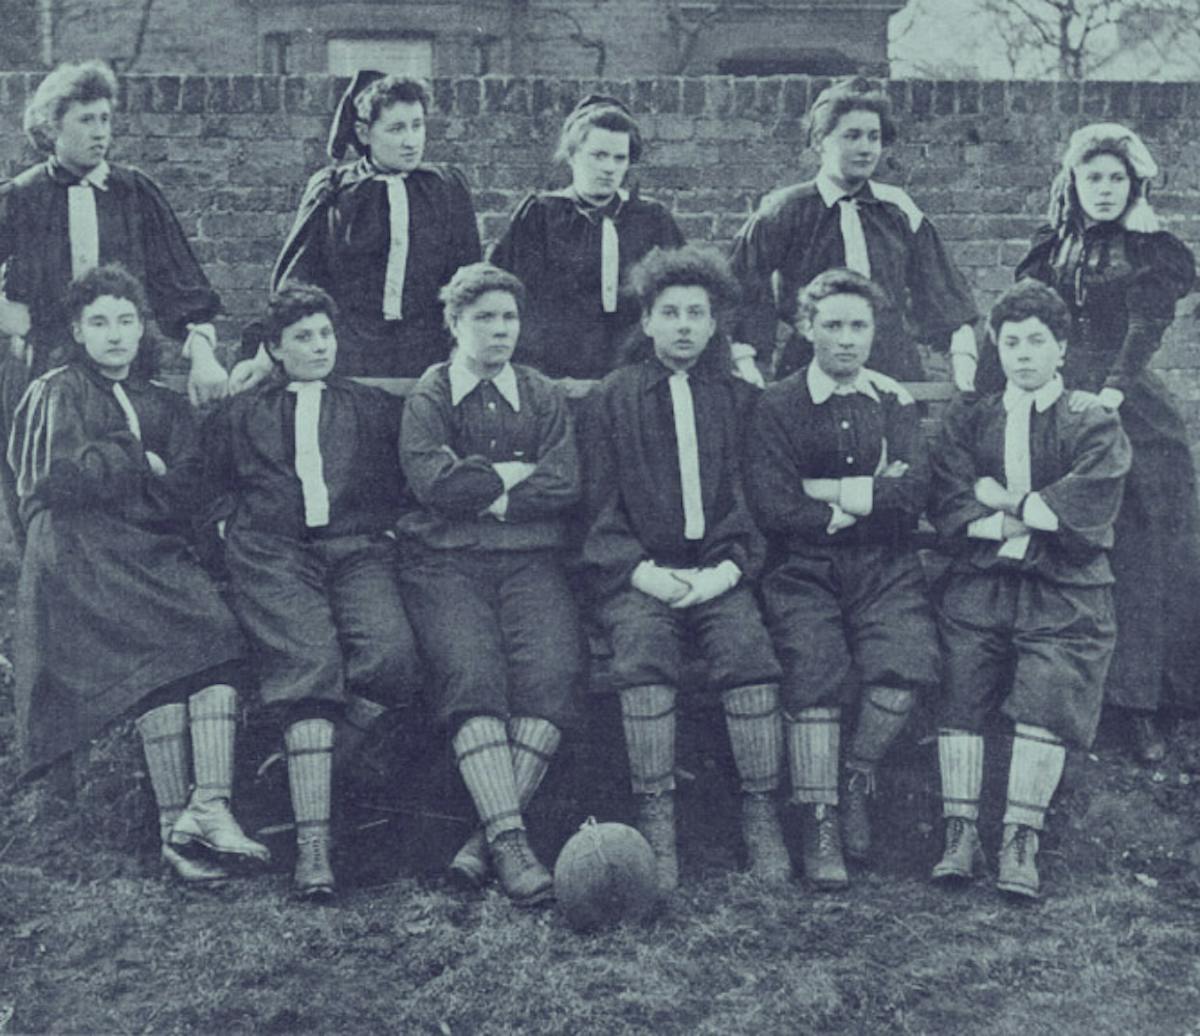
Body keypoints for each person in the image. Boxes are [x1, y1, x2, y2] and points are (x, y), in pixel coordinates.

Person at [7, 264, 266, 884]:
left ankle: (205, 809)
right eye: (99, 322)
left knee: (219, 637)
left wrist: (143, 475)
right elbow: (61, 481)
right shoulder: (57, 388)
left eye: (127, 320)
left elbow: (188, 484)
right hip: (81, 554)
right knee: (159, 656)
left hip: (147, 548)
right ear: (77, 329)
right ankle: (176, 832)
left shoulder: (160, 399)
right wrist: (136, 458)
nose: (116, 334)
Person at [578, 245, 788, 893]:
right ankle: (657, 827)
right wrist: (642, 574)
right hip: (639, 574)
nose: (685, 326)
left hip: (720, 570)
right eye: (670, 313)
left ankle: (760, 818)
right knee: (641, 651)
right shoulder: (612, 399)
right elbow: (596, 510)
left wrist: (726, 574)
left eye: (698, 313)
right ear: (646, 321)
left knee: (747, 650)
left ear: (716, 322)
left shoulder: (739, 399)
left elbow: (755, 503)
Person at [202, 283, 420, 900]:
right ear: (274, 347)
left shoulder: (370, 408)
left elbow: (401, 483)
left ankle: (302, 771)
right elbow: (203, 484)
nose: (319, 345)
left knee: (393, 656)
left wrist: (382, 528)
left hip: (354, 549)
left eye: (326, 334)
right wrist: (225, 527)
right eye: (303, 337)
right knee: (311, 665)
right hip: (272, 553)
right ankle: (313, 846)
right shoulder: (241, 413)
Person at [929, 279, 1131, 899]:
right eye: (1010, 342)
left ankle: (1022, 838)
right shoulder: (975, 418)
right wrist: (1012, 514)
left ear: (1062, 348)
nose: (1022, 354)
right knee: (962, 675)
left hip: (1064, 581)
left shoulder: (1090, 418)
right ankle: (960, 832)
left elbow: (1085, 501)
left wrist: (1010, 498)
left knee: (1051, 682)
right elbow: (952, 496)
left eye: (1036, 341)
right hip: (984, 575)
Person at [745, 268, 940, 890]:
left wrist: (826, 494)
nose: (847, 340)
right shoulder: (776, 403)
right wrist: (867, 494)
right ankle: (818, 816)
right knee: (815, 667)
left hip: (885, 564)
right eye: (832, 326)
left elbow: (911, 496)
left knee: (907, 663)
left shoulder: (893, 401)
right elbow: (775, 505)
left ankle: (855, 776)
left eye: (860, 326)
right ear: (806, 329)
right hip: (802, 570)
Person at [1012, 123, 1200, 765]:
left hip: (1136, 416)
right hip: (1067, 408)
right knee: (1073, 547)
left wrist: (1115, 392)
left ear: (1134, 184)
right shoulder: (1049, 250)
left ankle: (1145, 705)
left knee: (1149, 555)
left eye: (1116, 178)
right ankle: (1071, 704)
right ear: (1073, 182)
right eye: (1093, 177)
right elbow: (1025, 324)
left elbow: (1147, 324)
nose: (1104, 189)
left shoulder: (1152, 251)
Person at [397, 262, 584, 907]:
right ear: (455, 324)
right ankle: (510, 844)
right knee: (473, 676)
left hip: (532, 560)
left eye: (509, 318)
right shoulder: (431, 394)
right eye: (485, 318)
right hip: (446, 563)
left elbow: (564, 482)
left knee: (554, 674)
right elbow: (438, 487)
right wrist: (515, 474)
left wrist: (488, 487)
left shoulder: (540, 393)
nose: (500, 330)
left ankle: (484, 840)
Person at [0, 60, 228, 545]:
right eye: (85, 120)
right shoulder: (21, 197)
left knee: (122, 480)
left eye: (105, 119)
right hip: (43, 364)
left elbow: (180, 282)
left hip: (126, 367)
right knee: (45, 488)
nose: (100, 132)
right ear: (51, 126)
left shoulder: (135, 193)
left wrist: (203, 352)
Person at [231, 72, 481, 386]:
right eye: (396, 129)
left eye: (417, 126)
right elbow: (299, 280)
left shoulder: (445, 187)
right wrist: (263, 357)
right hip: (350, 357)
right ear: (364, 132)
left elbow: (467, 278)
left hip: (427, 355)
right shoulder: (335, 190)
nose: (410, 140)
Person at [729, 76, 979, 389]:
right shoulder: (786, 210)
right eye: (852, 136)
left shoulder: (897, 208)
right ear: (820, 141)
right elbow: (742, 285)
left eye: (873, 137)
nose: (865, 149)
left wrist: (963, 359)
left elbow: (941, 287)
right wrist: (747, 361)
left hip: (892, 366)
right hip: (809, 368)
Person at [490, 95, 751, 385]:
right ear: (573, 155)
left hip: (635, 379)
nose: (609, 168)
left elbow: (687, 295)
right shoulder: (540, 216)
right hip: (556, 377)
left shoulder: (651, 218)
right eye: (599, 156)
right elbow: (509, 295)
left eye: (619, 158)